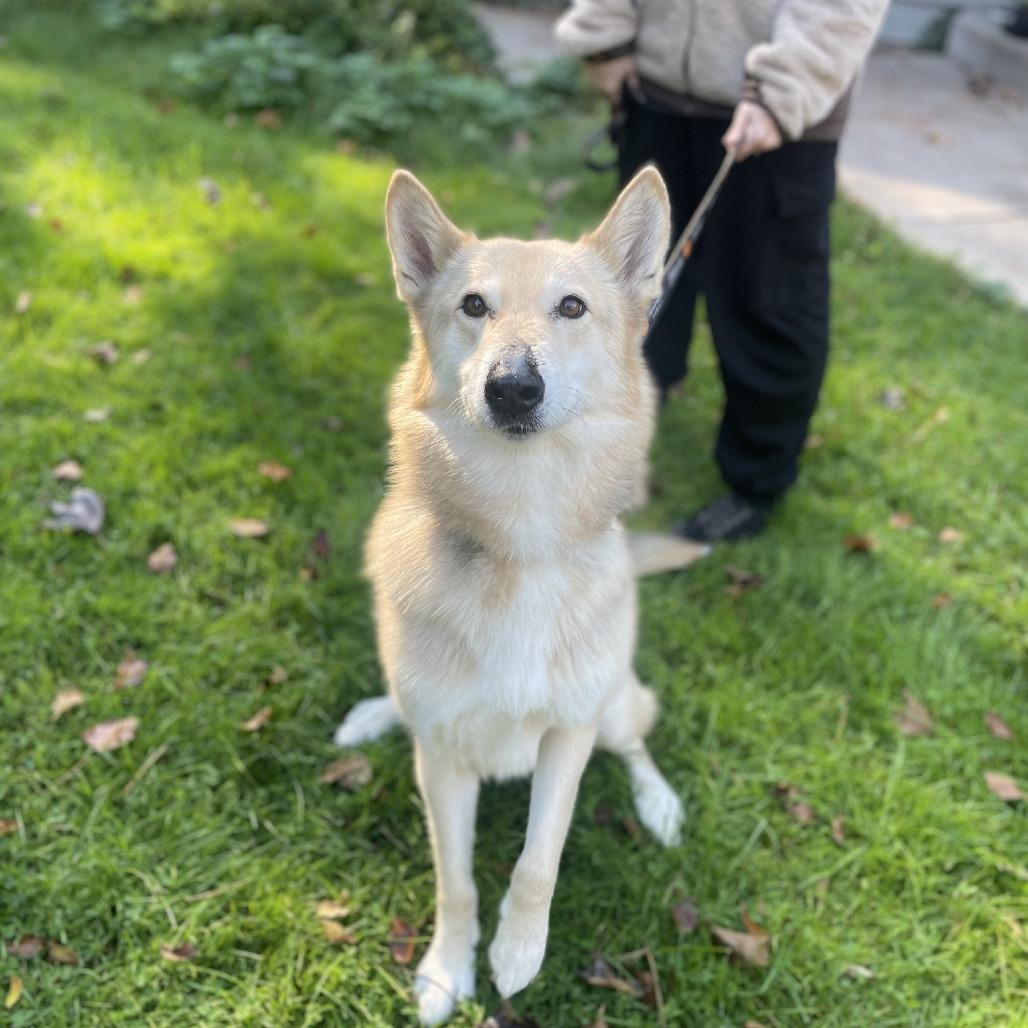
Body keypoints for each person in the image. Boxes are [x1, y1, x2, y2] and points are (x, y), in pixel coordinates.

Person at [556, 0, 889, 541]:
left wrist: (781, 93)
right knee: (633, 291)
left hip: (778, 120)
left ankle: (757, 482)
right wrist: (605, 40)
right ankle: (616, 432)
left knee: (767, 305)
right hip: (655, 98)